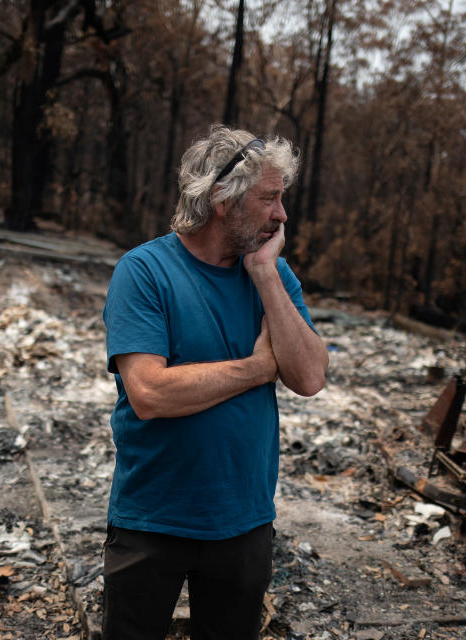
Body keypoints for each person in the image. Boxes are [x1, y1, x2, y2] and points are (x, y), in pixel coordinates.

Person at [101, 124, 329, 640]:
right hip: (150, 520)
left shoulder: (273, 275)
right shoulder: (145, 272)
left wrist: (267, 275)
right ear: (224, 200)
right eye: (270, 198)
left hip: (243, 522)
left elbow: (310, 375)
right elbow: (150, 393)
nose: (282, 214)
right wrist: (255, 368)